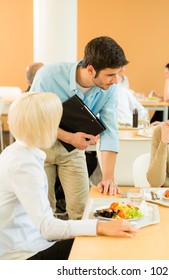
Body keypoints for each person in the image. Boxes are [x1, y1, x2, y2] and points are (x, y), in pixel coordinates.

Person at [0, 92, 139, 260]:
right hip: (24, 255)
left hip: (33, 242)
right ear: (45, 126)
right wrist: (100, 227)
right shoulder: (24, 165)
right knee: (102, 245)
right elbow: (47, 227)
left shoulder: (16, 152)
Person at [30, 36, 128, 220]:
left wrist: (108, 177)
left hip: (73, 150)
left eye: (118, 73)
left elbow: (110, 131)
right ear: (90, 69)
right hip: (40, 147)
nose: (115, 81)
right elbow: (33, 118)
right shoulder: (48, 76)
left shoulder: (110, 89)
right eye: (110, 75)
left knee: (83, 211)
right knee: (43, 210)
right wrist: (69, 137)